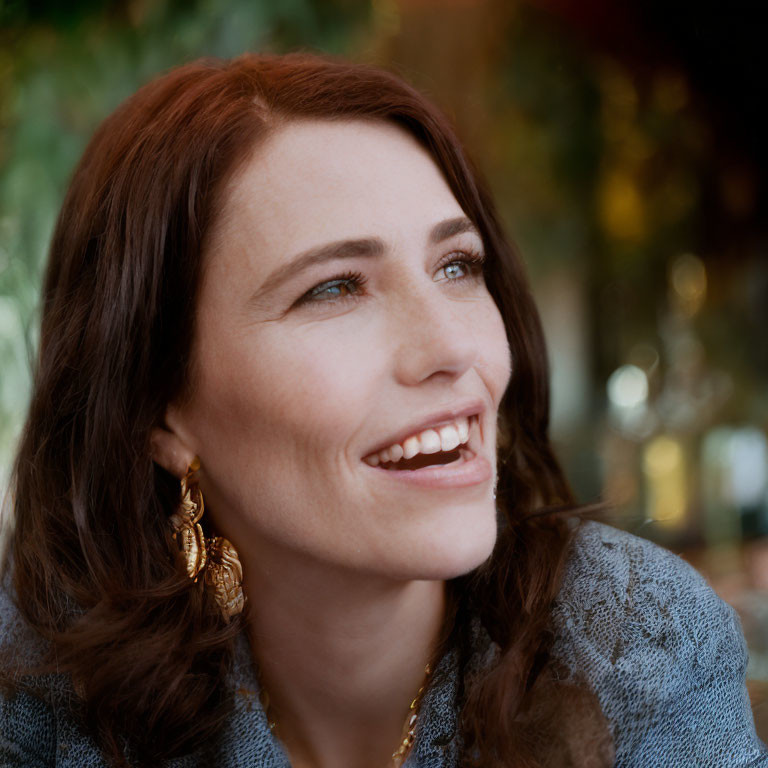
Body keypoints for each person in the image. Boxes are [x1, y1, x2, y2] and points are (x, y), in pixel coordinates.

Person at [0, 51, 765, 768]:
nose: (451, 347)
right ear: (159, 414)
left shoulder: (640, 645)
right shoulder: (37, 680)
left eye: (456, 266)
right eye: (334, 288)